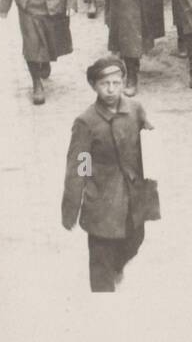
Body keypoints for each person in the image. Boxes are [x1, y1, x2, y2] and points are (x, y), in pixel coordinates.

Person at [62, 57, 156, 292]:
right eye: (105, 84)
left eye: (117, 83)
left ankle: (117, 266)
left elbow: (151, 145)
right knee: (100, 259)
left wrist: (151, 184)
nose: (112, 89)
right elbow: (79, 166)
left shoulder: (135, 110)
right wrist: (72, 206)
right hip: (101, 200)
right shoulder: (87, 122)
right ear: (94, 86)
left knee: (134, 241)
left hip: (132, 196)